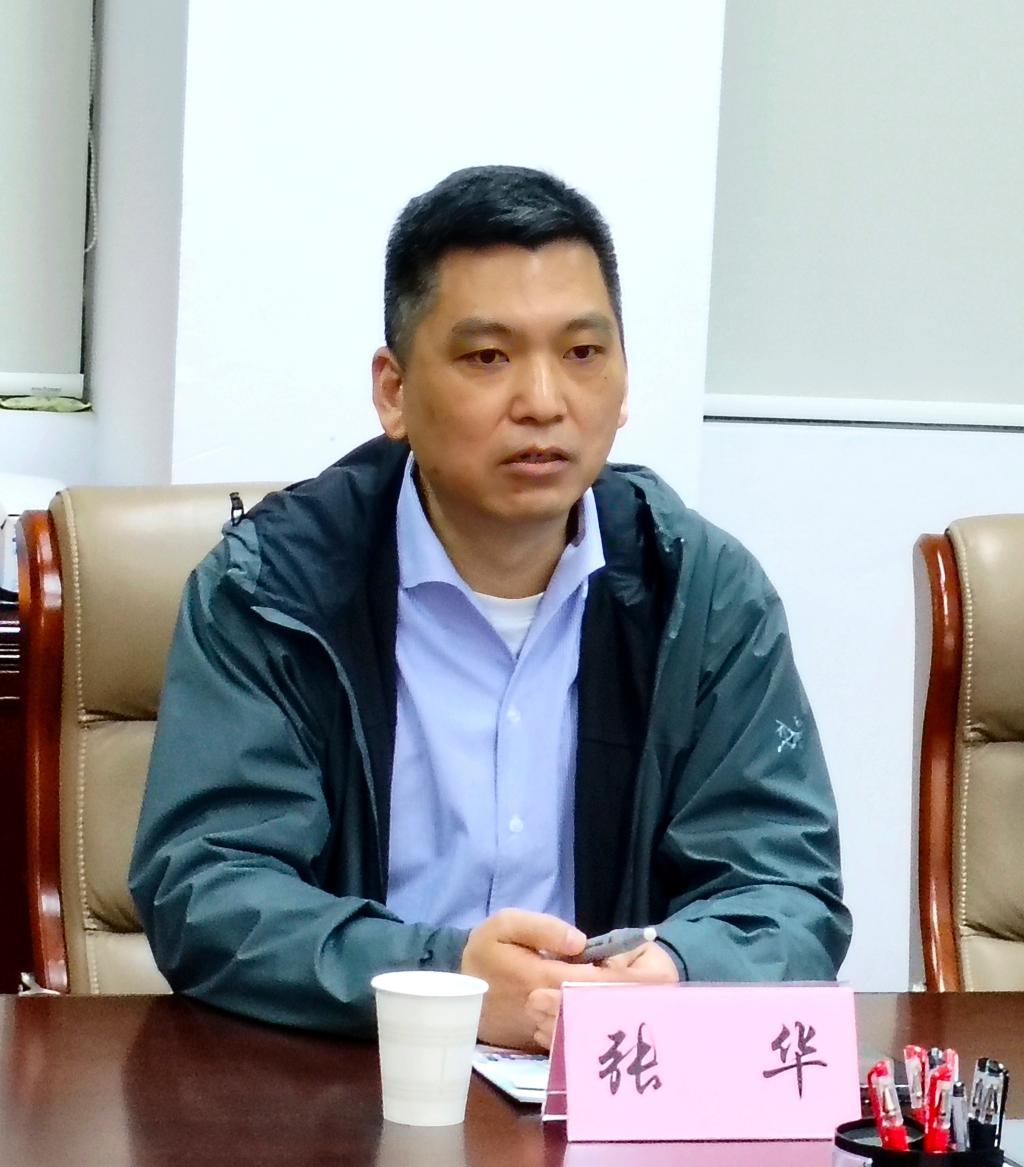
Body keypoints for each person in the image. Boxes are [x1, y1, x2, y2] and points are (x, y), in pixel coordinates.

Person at [129, 165, 851, 1051]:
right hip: (352, 1075)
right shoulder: (273, 589)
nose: (543, 402)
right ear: (394, 390)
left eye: (582, 354)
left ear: (623, 383)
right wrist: (446, 981)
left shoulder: (699, 592)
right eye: (488, 358)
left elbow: (786, 887)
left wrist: (679, 970)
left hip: (606, 1086)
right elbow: (208, 890)